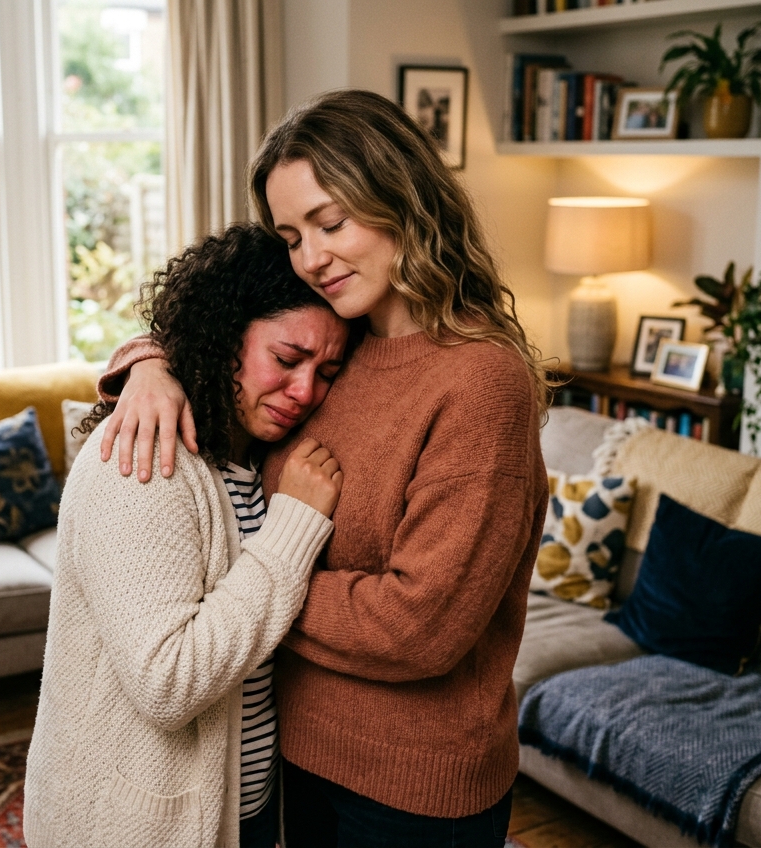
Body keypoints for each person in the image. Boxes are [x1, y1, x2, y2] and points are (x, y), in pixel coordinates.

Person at [98, 89, 550, 848]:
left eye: (331, 223)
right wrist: (151, 363)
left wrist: (239, 590)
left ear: (401, 198)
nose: (311, 258)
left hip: (411, 788)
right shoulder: (338, 339)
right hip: (291, 755)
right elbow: (223, 331)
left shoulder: (479, 381)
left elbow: (420, 627)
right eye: (291, 236)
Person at [23, 223, 350, 848]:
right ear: (223, 334)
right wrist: (294, 528)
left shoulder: (255, 457)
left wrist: (147, 361)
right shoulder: (143, 461)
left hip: (240, 812)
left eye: (328, 371)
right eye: (286, 359)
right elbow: (168, 683)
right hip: (134, 827)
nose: (305, 391)